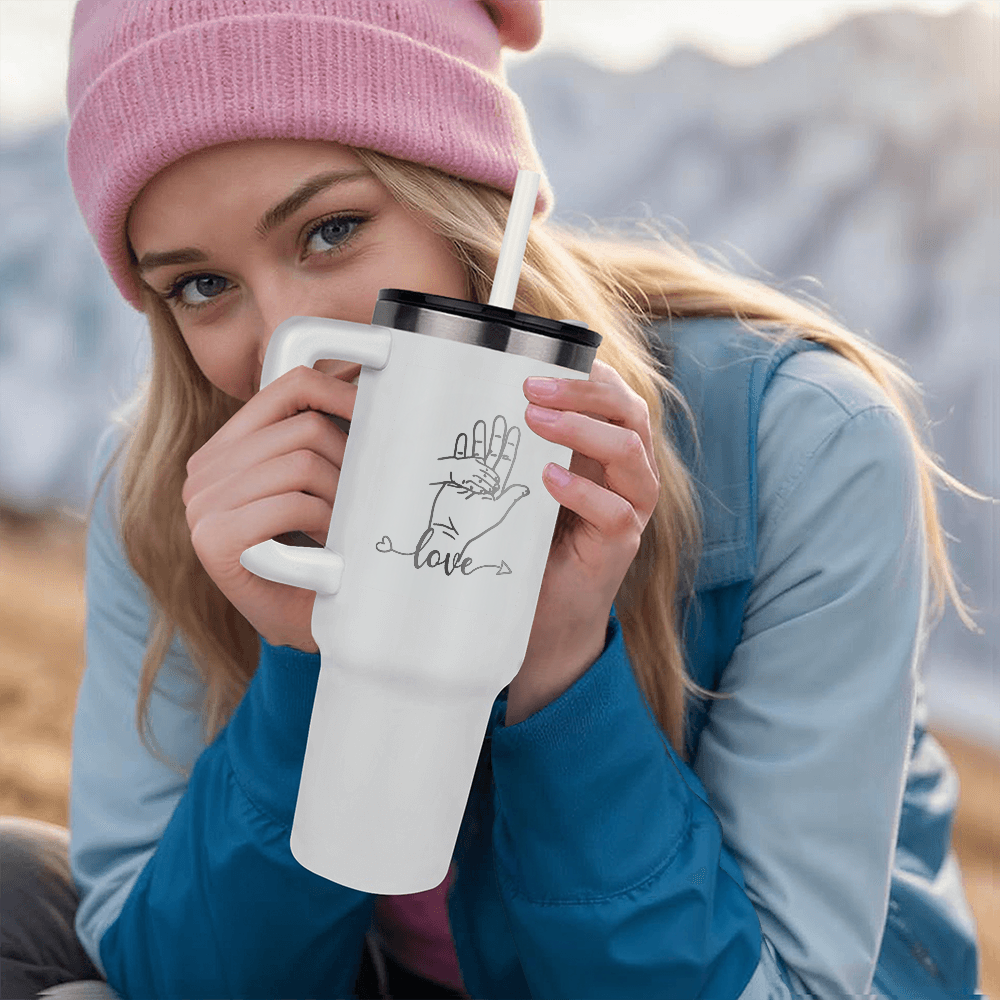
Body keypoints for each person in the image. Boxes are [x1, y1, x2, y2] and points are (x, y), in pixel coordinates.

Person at [0, 0, 989, 998]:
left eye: (332, 229)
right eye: (203, 285)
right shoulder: (178, 489)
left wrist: (561, 675)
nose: (283, 344)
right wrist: (309, 663)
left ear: (473, 196)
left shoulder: (798, 444)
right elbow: (180, 981)